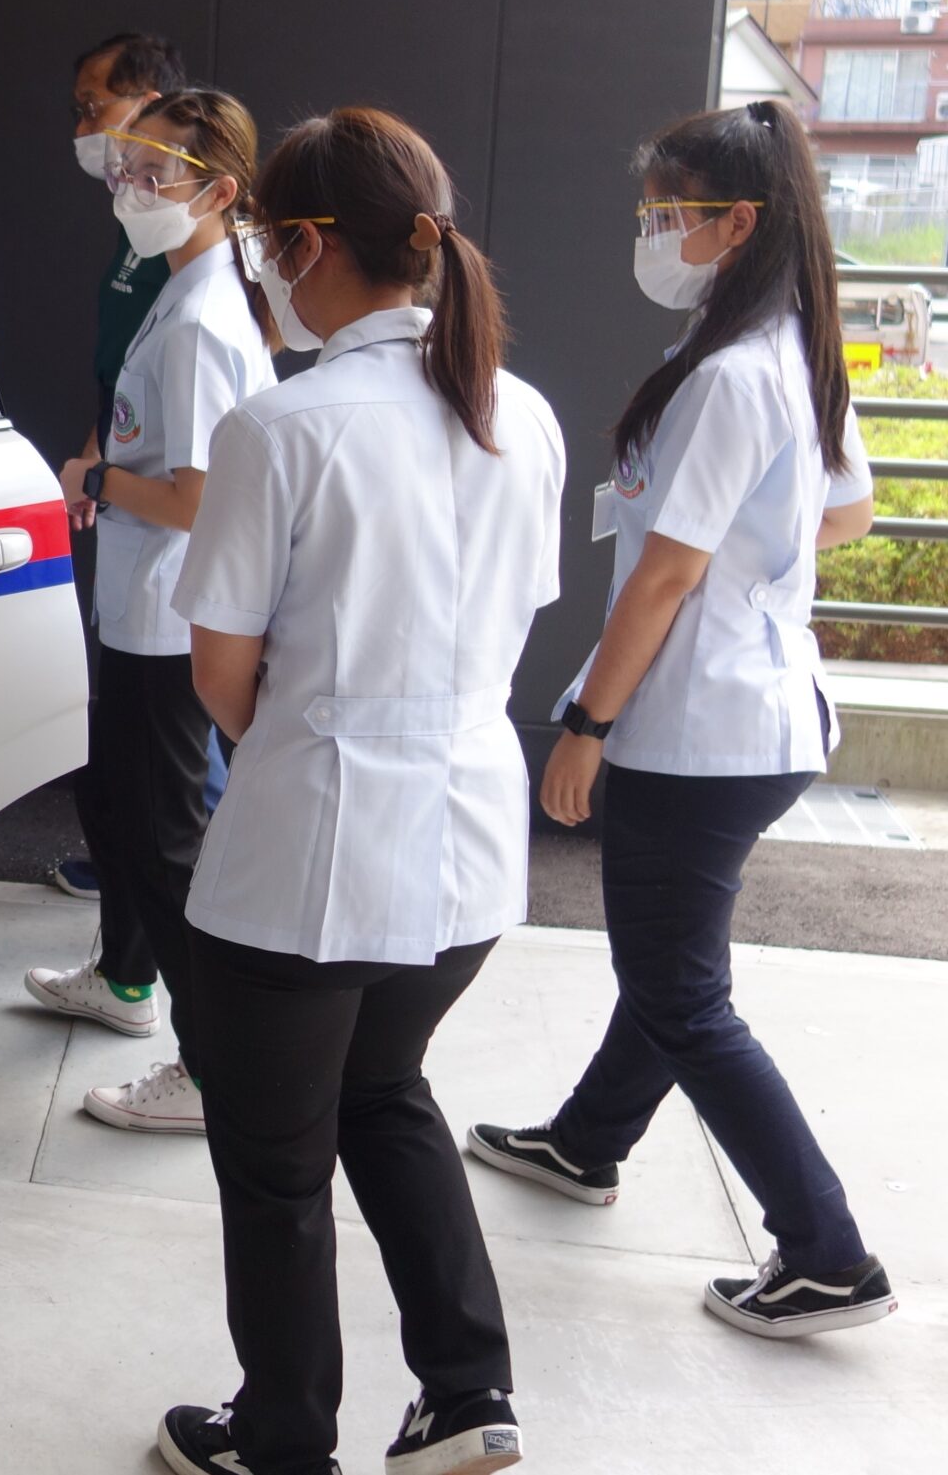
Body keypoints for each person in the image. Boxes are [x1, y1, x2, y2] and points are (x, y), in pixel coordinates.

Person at [156, 107, 561, 1475]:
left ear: (308, 244)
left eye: (273, 242)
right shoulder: (526, 414)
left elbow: (223, 673)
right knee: (386, 1090)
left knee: (276, 1164)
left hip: (307, 856)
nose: (265, 267)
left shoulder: (285, 422)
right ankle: (467, 1392)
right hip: (470, 850)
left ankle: (283, 1441)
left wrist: (314, 744)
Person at [470, 98, 898, 1342]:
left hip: (699, 727)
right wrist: (759, 562)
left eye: (671, 214)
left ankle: (825, 1251)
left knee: (679, 990)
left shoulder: (732, 373)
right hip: (761, 708)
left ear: (737, 223)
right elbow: (850, 511)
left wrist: (584, 721)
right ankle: (587, 1142)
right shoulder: (787, 347)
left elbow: (660, 574)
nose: (652, 233)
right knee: (669, 968)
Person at [24, 89, 276, 1131]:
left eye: (156, 171)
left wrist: (94, 479)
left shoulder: (203, 323)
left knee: (165, 841)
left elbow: (197, 496)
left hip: (172, 621)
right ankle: (129, 984)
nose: (131, 188)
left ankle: (215, 1064)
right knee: (127, 822)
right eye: (128, 166)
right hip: (144, 608)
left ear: (219, 191)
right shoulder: (184, 298)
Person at [47, 33, 189, 903]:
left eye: (96, 107)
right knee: (129, 761)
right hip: (135, 510)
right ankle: (130, 931)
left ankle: (159, 939)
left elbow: (201, 482)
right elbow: (125, 368)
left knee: (171, 771)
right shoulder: (138, 230)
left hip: (172, 539)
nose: (86, 129)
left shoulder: (198, 270)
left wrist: (100, 477)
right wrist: (101, 451)